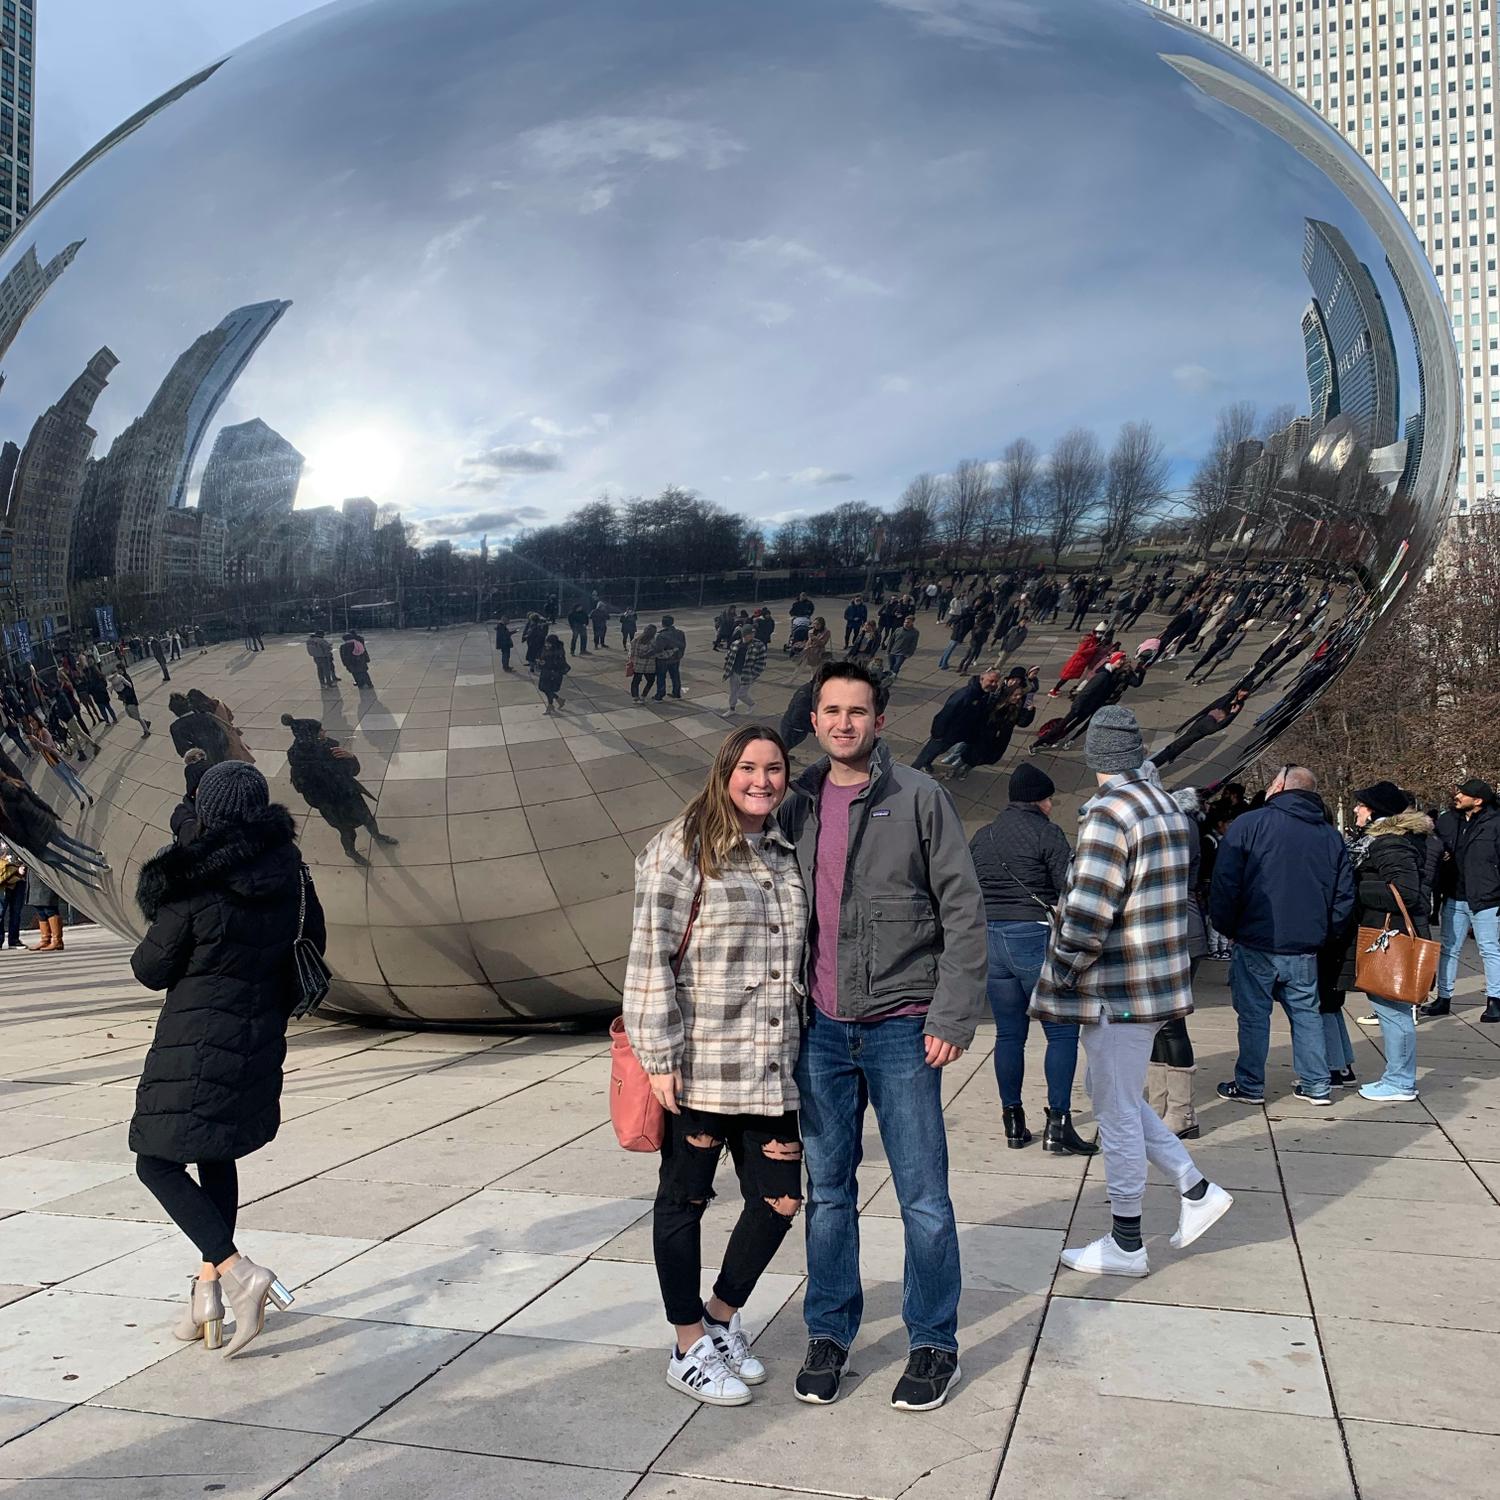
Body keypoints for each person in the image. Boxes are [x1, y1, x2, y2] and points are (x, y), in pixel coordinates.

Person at [778, 660, 985, 1412]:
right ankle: (830, 1331)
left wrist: (953, 1014)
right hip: (822, 1031)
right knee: (828, 1194)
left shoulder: (918, 796)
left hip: (902, 1025)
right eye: (829, 710)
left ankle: (933, 1343)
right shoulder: (795, 801)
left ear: (879, 721)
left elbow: (963, 909)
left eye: (856, 711)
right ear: (815, 719)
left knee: (924, 1195)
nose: (842, 723)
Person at [623, 725, 808, 1407]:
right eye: (749, 768)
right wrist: (659, 1054)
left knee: (780, 1198)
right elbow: (649, 956)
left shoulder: (784, 852)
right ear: (724, 771)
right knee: (685, 1201)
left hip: (769, 1064)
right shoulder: (683, 847)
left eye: (775, 769)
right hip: (700, 1061)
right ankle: (686, 1344)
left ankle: (722, 1319)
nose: (762, 781)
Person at [129, 761, 325, 1359]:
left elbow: (149, 967)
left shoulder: (195, 881)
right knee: (217, 1154)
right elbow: (312, 941)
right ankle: (207, 1292)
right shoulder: (292, 873)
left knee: (155, 1162)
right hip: (258, 1038)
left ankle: (240, 1273)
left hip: (196, 1042)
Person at [1032, 706, 1233, 1277]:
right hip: (1151, 980)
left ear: (1095, 757)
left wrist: (1060, 969)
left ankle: (1127, 1240)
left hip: (1118, 984)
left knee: (1115, 1109)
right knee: (1109, 1090)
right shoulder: (1164, 806)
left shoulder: (1110, 814)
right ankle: (1194, 1188)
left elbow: (1089, 914)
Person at [1209, 766, 1355, 1106]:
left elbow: (1225, 883)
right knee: (1306, 1013)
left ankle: (1250, 1084)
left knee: (1254, 1016)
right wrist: (1325, 932)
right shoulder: (1329, 835)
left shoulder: (1250, 824)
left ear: (1279, 785)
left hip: (1256, 938)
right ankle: (1317, 1083)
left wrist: (1228, 927)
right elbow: (1343, 895)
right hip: (1303, 944)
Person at [971, 763, 1097, 1154]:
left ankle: (1013, 1122)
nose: (1051, 803)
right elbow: (1068, 887)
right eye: (1049, 797)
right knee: (1060, 1032)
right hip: (1033, 936)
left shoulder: (983, 836)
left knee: (1009, 1035)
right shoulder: (1048, 833)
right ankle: (1058, 1126)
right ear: (1040, 799)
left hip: (991, 939)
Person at [1325, 782, 1431, 1101]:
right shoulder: (1382, 841)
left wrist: (1355, 888)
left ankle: (1400, 1081)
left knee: (1394, 1013)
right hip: (1384, 935)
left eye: (1360, 805)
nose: (1356, 809)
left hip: (1390, 939)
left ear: (1374, 810)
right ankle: (1398, 1078)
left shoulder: (1389, 844)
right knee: (1391, 1011)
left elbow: (1408, 893)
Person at [1145, 787, 1211, 1139]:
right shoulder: (1180, 824)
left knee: (1170, 1023)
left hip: (1175, 930)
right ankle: (1162, 1105)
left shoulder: (1175, 826)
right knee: (1159, 1023)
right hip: (1172, 927)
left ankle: (1182, 1113)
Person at [1420, 778, 1500, 1022]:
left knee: (1489, 949)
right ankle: (1443, 998)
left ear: (1478, 801)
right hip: (1453, 895)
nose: (1457, 796)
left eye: (1463, 794)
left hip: (1486, 897)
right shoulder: (1447, 821)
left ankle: (1495, 1000)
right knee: (1448, 949)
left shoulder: (1495, 823)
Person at [281, 715, 400, 865]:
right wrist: (325, 801)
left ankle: (377, 835)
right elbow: (308, 794)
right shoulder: (300, 764)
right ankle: (351, 851)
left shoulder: (331, 748)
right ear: (312, 736)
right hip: (332, 806)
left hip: (350, 795)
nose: (324, 732)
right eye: (320, 731)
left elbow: (353, 771)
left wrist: (351, 757)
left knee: (368, 819)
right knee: (347, 832)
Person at [912, 670, 999, 771]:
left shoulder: (984, 694)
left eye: (996, 682)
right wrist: (937, 734)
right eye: (991, 681)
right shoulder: (966, 694)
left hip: (956, 734)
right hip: (945, 733)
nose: (994, 684)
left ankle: (927, 763)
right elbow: (945, 713)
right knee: (929, 751)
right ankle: (913, 770)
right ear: (982, 679)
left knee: (939, 751)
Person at [1149, 686, 1251, 770]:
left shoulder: (1239, 705)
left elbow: (1226, 721)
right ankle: (1168, 756)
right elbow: (1212, 706)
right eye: (1243, 692)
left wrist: (1231, 714)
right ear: (1240, 690)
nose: (1243, 695)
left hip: (1209, 724)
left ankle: (1156, 762)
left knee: (1182, 742)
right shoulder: (1230, 696)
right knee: (1186, 740)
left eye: (1245, 694)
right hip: (1205, 720)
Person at [23, 713, 89, 809]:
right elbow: (38, 749)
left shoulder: (44, 731)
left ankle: (87, 795)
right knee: (67, 783)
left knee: (72, 779)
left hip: (58, 761)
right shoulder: (35, 733)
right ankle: (80, 800)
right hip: (52, 765)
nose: (32, 723)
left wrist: (36, 740)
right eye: (30, 721)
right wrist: (31, 739)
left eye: (33, 720)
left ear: (37, 720)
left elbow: (49, 747)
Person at [186, 690, 255, 764]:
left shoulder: (205, 715)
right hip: (232, 734)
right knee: (242, 758)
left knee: (233, 762)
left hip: (224, 740)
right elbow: (231, 716)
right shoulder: (218, 702)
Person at [169, 694, 231, 766]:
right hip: (221, 757)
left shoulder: (176, 727)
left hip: (201, 764)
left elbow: (182, 750)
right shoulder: (205, 716)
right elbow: (223, 737)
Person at [722, 624, 768, 714]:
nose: (752, 636)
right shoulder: (735, 643)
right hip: (734, 672)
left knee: (741, 694)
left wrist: (754, 674)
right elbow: (728, 656)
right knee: (733, 692)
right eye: (750, 634)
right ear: (744, 634)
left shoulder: (759, 645)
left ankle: (751, 704)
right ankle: (732, 709)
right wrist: (727, 667)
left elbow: (761, 662)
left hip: (747, 674)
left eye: (753, 633)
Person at [25, 868, 66, 951]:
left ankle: (57, 940)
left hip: (46, 875)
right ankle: (45, 939)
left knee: (49, 909)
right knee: (40, 910)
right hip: (34, 876)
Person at [778, 679, 816, 756]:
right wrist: (814, 728)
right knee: (786, 745)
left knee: (786, 746)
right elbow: (798, 718)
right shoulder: (806, 697)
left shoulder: (807, 689)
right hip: (794, 730)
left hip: (791, 726)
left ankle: (784, 755)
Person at [109, 669, 150, 738]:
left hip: (131, 700)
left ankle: (146, 731)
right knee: (130, 715)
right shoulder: (120, 680)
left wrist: (123, 696)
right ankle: (145, 722)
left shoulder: (124, 679)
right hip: (127, 701)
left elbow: (129, 688)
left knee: (137, 717)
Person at [654, 615, 686, 701]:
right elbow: (683, 645)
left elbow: (658, 649)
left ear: (662, 623)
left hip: (663, 660)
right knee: (675, 676)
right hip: (675, 658)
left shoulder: (661, 636)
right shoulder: (680, 633)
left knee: (661, 677)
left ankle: (660, 694)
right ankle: (676, 692)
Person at [0, 842, 24, 948]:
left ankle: (14, 940)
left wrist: (23, 866)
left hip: (19, 879)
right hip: (3, 880)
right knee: (1, 912)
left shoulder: (19, 835)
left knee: (16, 912)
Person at [538, 635, 570, 713]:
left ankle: (550, 705)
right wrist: (540, 663)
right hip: (545, 672)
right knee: (542, 687)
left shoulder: (558, 651)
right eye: (546, 643)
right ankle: (559, 700)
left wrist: (545, 663)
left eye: (549, 644)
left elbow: (557, 664)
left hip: (553, 674)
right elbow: (542, 657)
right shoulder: (545, 648)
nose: (547, 645)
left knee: (548, 689)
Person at [628, 625, 658, 701]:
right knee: (650, 681)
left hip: (638, 665)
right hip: (649, 666)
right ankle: (643, 695)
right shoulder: (654, 642)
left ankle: (635, 697)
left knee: (635, 682)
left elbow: (631, 653)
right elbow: (657, 654)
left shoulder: (636, 640)